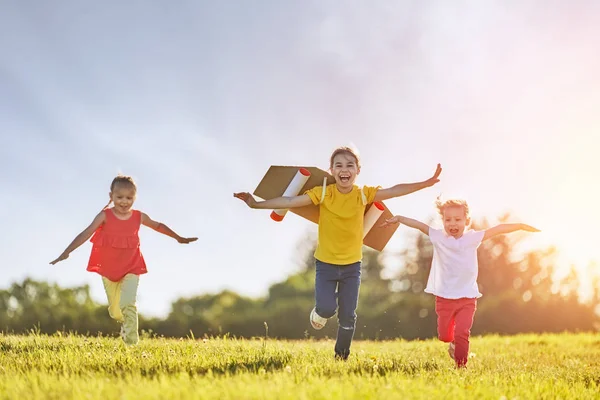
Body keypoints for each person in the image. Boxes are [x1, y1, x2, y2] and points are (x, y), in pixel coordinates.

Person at [234, 146, 442, 359]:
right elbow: (289, 201)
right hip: (325, 265)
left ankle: (341, 358)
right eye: (339, 165)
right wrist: (256, 204)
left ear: (357, 171)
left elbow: (395, 190)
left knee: (348, 316)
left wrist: (425, 183)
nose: (344, 169)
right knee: (326, 309)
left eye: (350, 165)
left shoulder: (363, 194)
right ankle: (320, 312)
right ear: (331, 170)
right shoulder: (323, 193)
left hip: (353, 267)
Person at [381, 197, 539, 367]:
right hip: (444, 297)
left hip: (467, 297)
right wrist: (399, 218)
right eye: (448, 220)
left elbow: (498, 229)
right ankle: (452, 342)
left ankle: (461, 366)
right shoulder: (438, 236)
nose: (452, 224)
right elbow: (419, 225)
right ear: (443, 221)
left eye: (457, 219)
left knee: (462, 332)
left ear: (467, 221)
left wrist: (520, 226)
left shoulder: (473, 238)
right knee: (444, 336)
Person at [50, 175, 197, 345]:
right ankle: (125, 325)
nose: (124, 202)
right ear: (111, 196)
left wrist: (178, 237)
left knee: (128, 304)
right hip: (108, 269)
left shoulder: (139, 217)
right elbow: (86, 233)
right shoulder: (104, 216)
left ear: (135, 198)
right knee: (115, 312)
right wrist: (66, 252)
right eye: (119, 197)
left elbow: (158, 225)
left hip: (132, 266)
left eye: (129, 198)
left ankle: (131, 344)